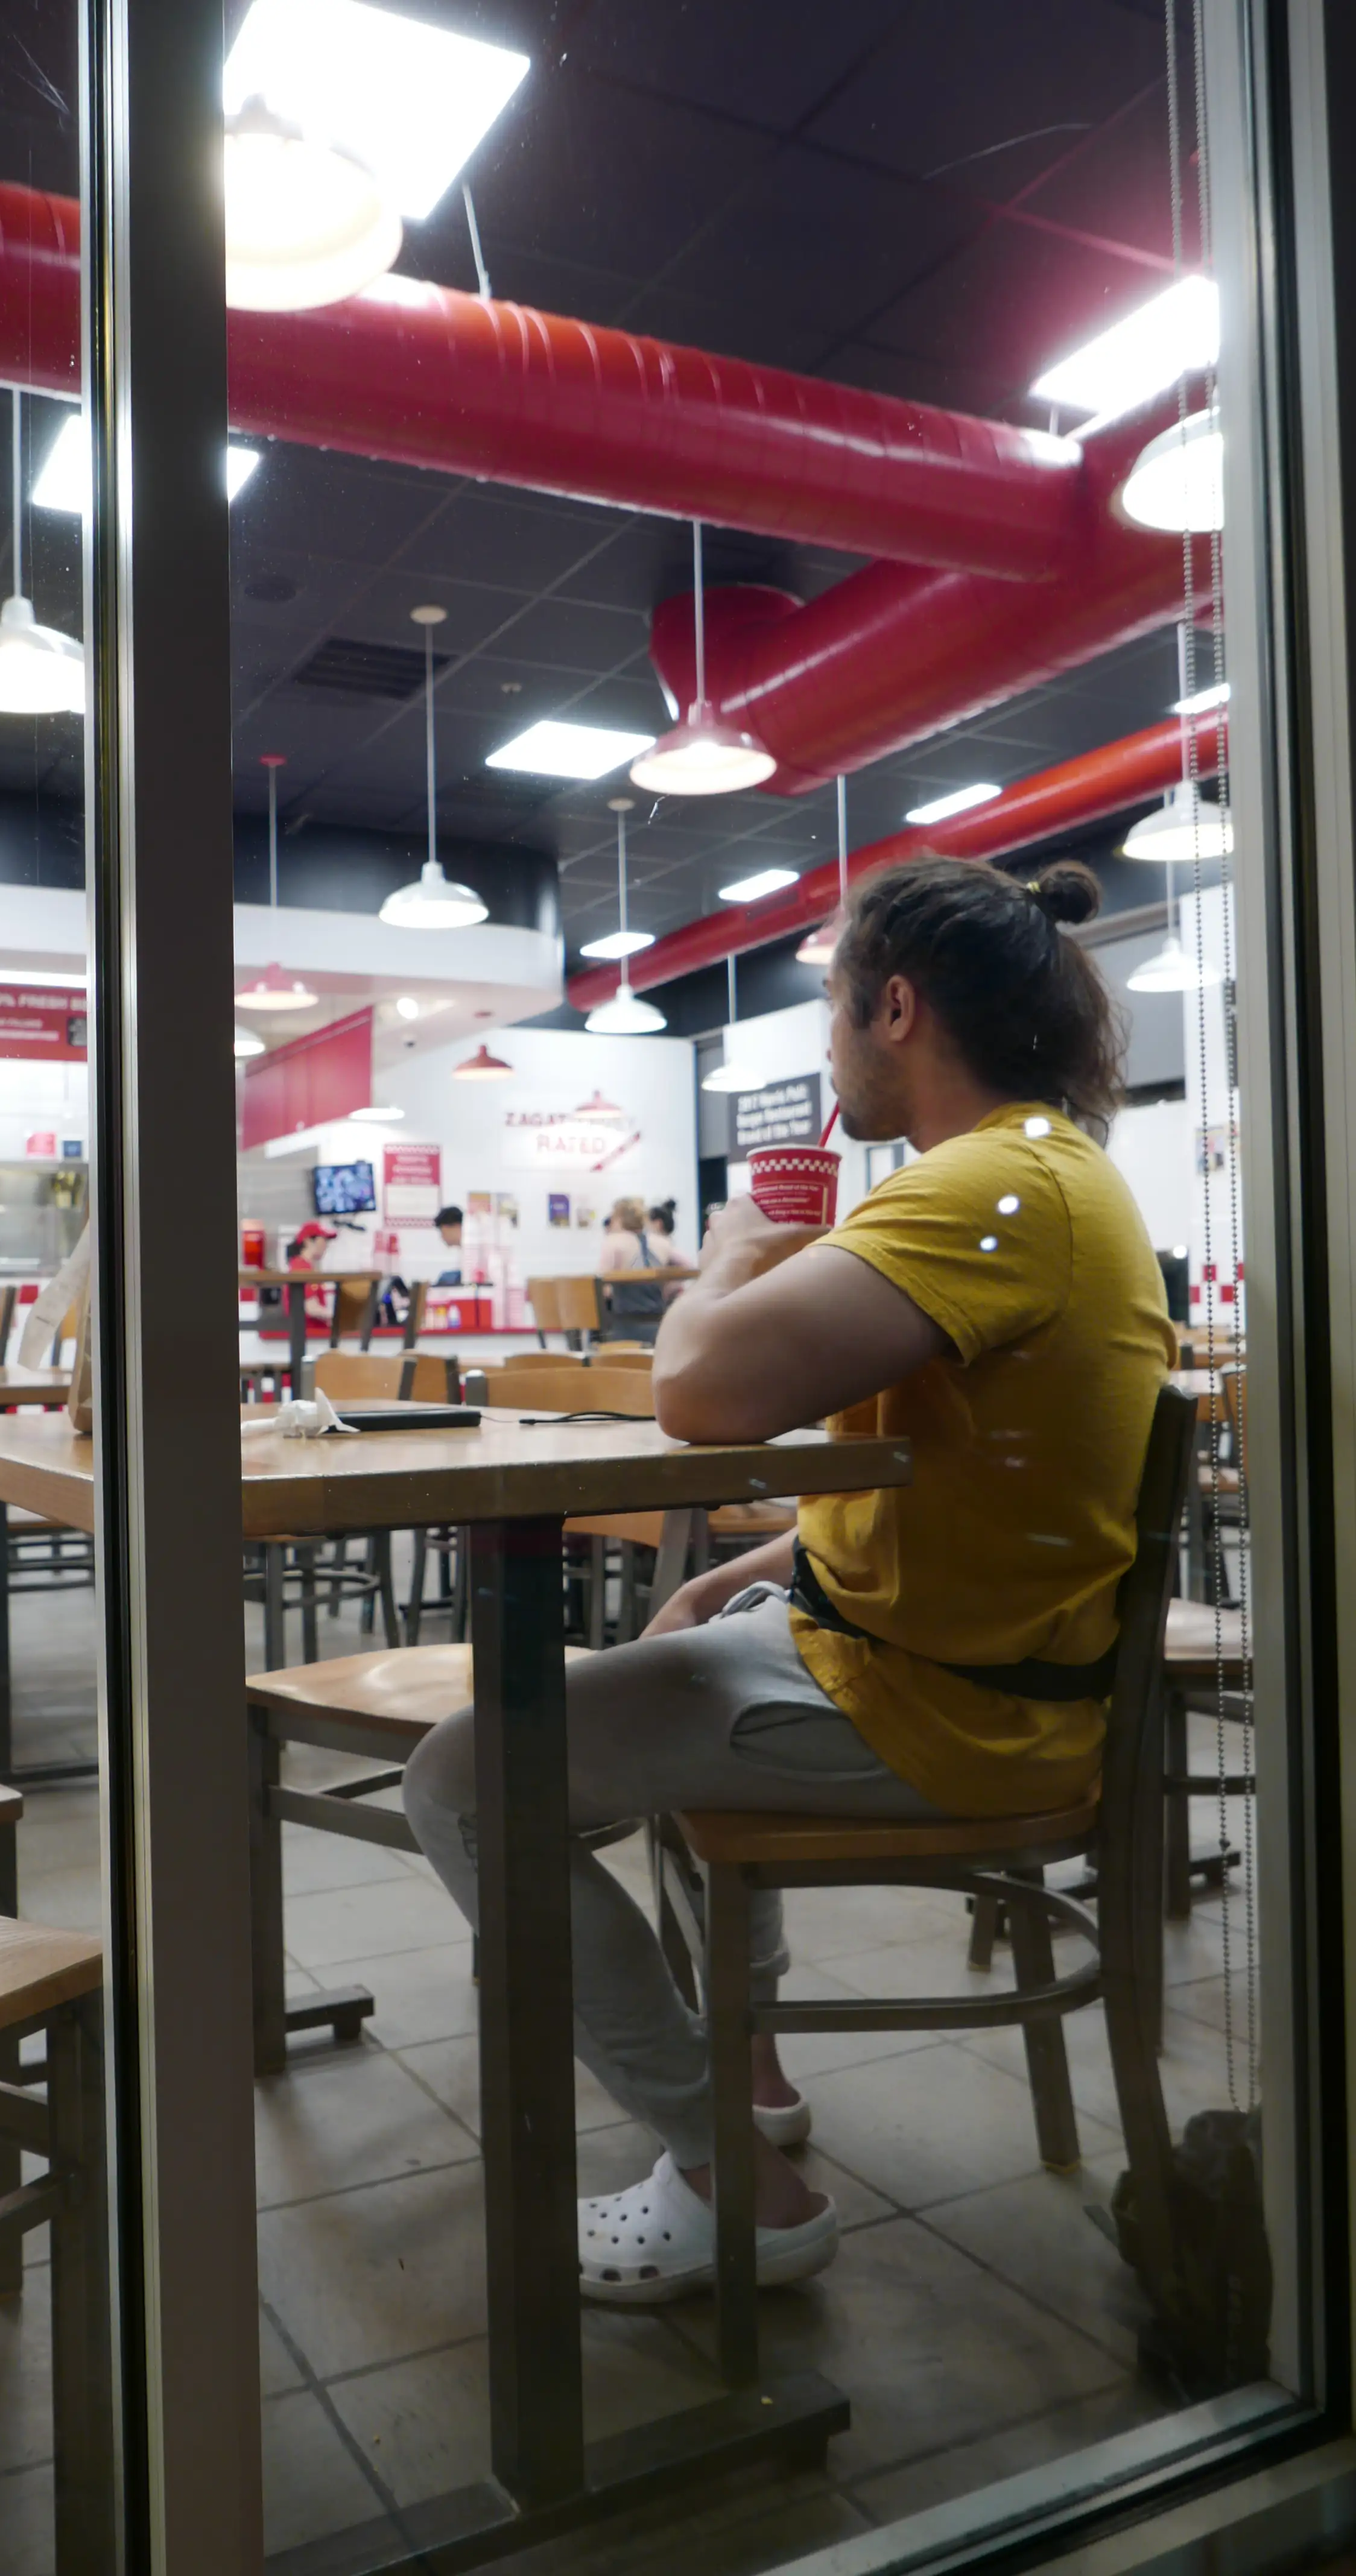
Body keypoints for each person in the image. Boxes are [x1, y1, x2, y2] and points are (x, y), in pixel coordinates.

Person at [404, 857, 1176, 2305]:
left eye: (831, 1008)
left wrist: (730, 1256)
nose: (829, 1044)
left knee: (463, 1781)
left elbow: (699, 1391)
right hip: (935, 1658)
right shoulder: (1052, 1170)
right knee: (663, 1670)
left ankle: (730, 2179)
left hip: (948, 1712)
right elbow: (948, 1491)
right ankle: (745, 2082)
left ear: (894, 1006)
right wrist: (741, 1573)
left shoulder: (990, 1186)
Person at [597, 1192, 665, 1343]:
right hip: (660, 1325)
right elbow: (688, 1266)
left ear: (618, 1219)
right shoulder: (661, 1242)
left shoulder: (614, 1242)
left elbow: (600, 1287)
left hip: (624, 1326)